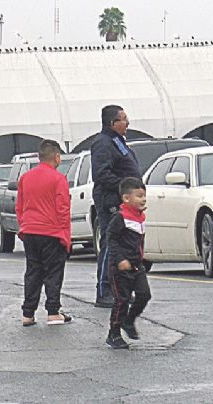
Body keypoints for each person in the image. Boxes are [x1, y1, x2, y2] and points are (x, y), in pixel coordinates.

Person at [17, 139, 72, 327]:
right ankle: (53, 311)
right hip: (51, 232)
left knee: (33, 271)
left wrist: (24, 225)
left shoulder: (25, 178)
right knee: (53, 272)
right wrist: (65, 236)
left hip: (30, 231)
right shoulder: (58, 179)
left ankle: (28, 313)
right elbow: (63, 209)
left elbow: (19, 207)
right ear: (56, 157)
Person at [91, 105, 140, 308]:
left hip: (125, 203)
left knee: (125, 246)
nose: (127, 123)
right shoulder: (103, 143)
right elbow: (102, 174)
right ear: (113, 123)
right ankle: (104, 291)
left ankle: (120, 289)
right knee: (111, 245)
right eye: (123, 119)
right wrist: (124, 188)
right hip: (111, 202)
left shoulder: (118, 141)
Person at [105, 177, 152, 349]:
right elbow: (112, 240)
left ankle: (129, 321)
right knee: (122, 300)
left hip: (136, 266)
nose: (143, 199)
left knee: (144, 294)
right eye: (139, 196)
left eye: (144, 196)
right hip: (120, 268)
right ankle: (114, 333)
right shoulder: (120, 218)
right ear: (126, 198)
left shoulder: (141, 217)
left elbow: (138, 241)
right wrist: (120, 259)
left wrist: (142, 256)